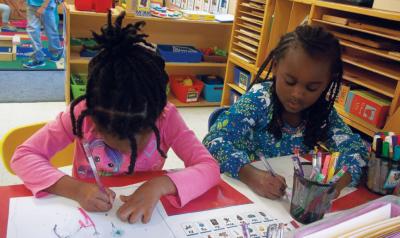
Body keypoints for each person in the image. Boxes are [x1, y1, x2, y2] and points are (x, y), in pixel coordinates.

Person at [11, 11, 220, 224]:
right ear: (95, 122)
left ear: (156, 117)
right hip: (88, 215)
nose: (129, 152)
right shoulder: (81, 114)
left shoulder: (167, 117)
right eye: (118, 142)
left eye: (137, 141)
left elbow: (210, 168)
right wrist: (76, 189)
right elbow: (23, 156)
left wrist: (160, 185)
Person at [203, 25, 367, 200]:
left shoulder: (322, 112)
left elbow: (355, 151)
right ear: (275, 67)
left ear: (327, 83)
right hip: (244, 193)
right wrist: (252, 176)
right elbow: (214, 141)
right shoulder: (259, 100)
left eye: (312, 88)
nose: (297, 94)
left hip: (286, 200)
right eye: (289, 82)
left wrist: (336, 185)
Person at [23, 0, 63, 68]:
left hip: (46, 6)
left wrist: (43, 7)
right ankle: (38, 58)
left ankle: (57, 51)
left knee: (50, 31)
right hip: (32, 5)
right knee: (33, 31)